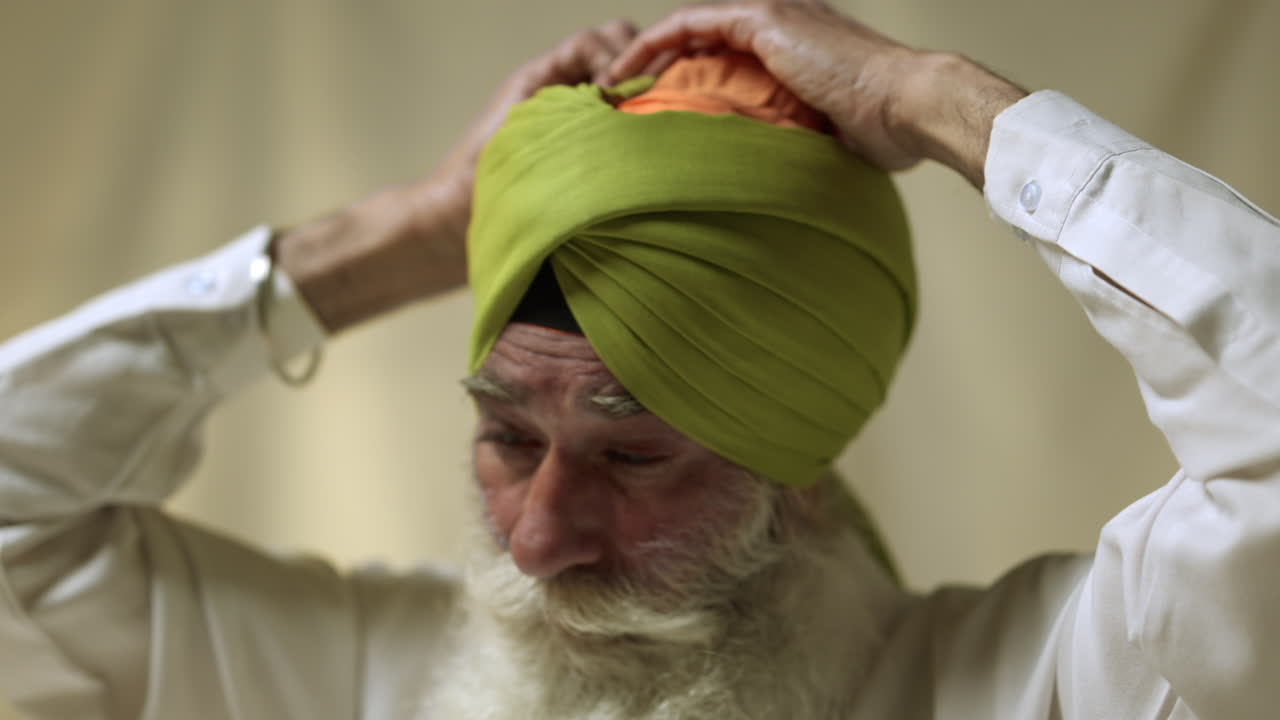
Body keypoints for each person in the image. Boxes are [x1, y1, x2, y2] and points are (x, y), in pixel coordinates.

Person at [1, 1, 1277, 718]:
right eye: (508, 438)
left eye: (632, 456)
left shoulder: (1040, 682)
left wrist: (940, 100)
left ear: (795, 472)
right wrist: (412, 232)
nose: (539, 538)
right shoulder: (357, 674)